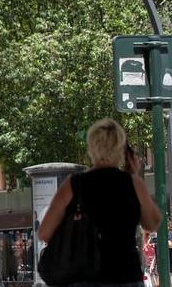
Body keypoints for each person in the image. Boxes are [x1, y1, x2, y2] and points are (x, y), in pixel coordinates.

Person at [38, 118, 161, 285]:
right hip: (126, 276)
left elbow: (44, 233)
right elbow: (152, 223)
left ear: (91, 147)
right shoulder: (132, 183)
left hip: (84, 278)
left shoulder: (74, 185)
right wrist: (135, 177)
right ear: (120, 148)